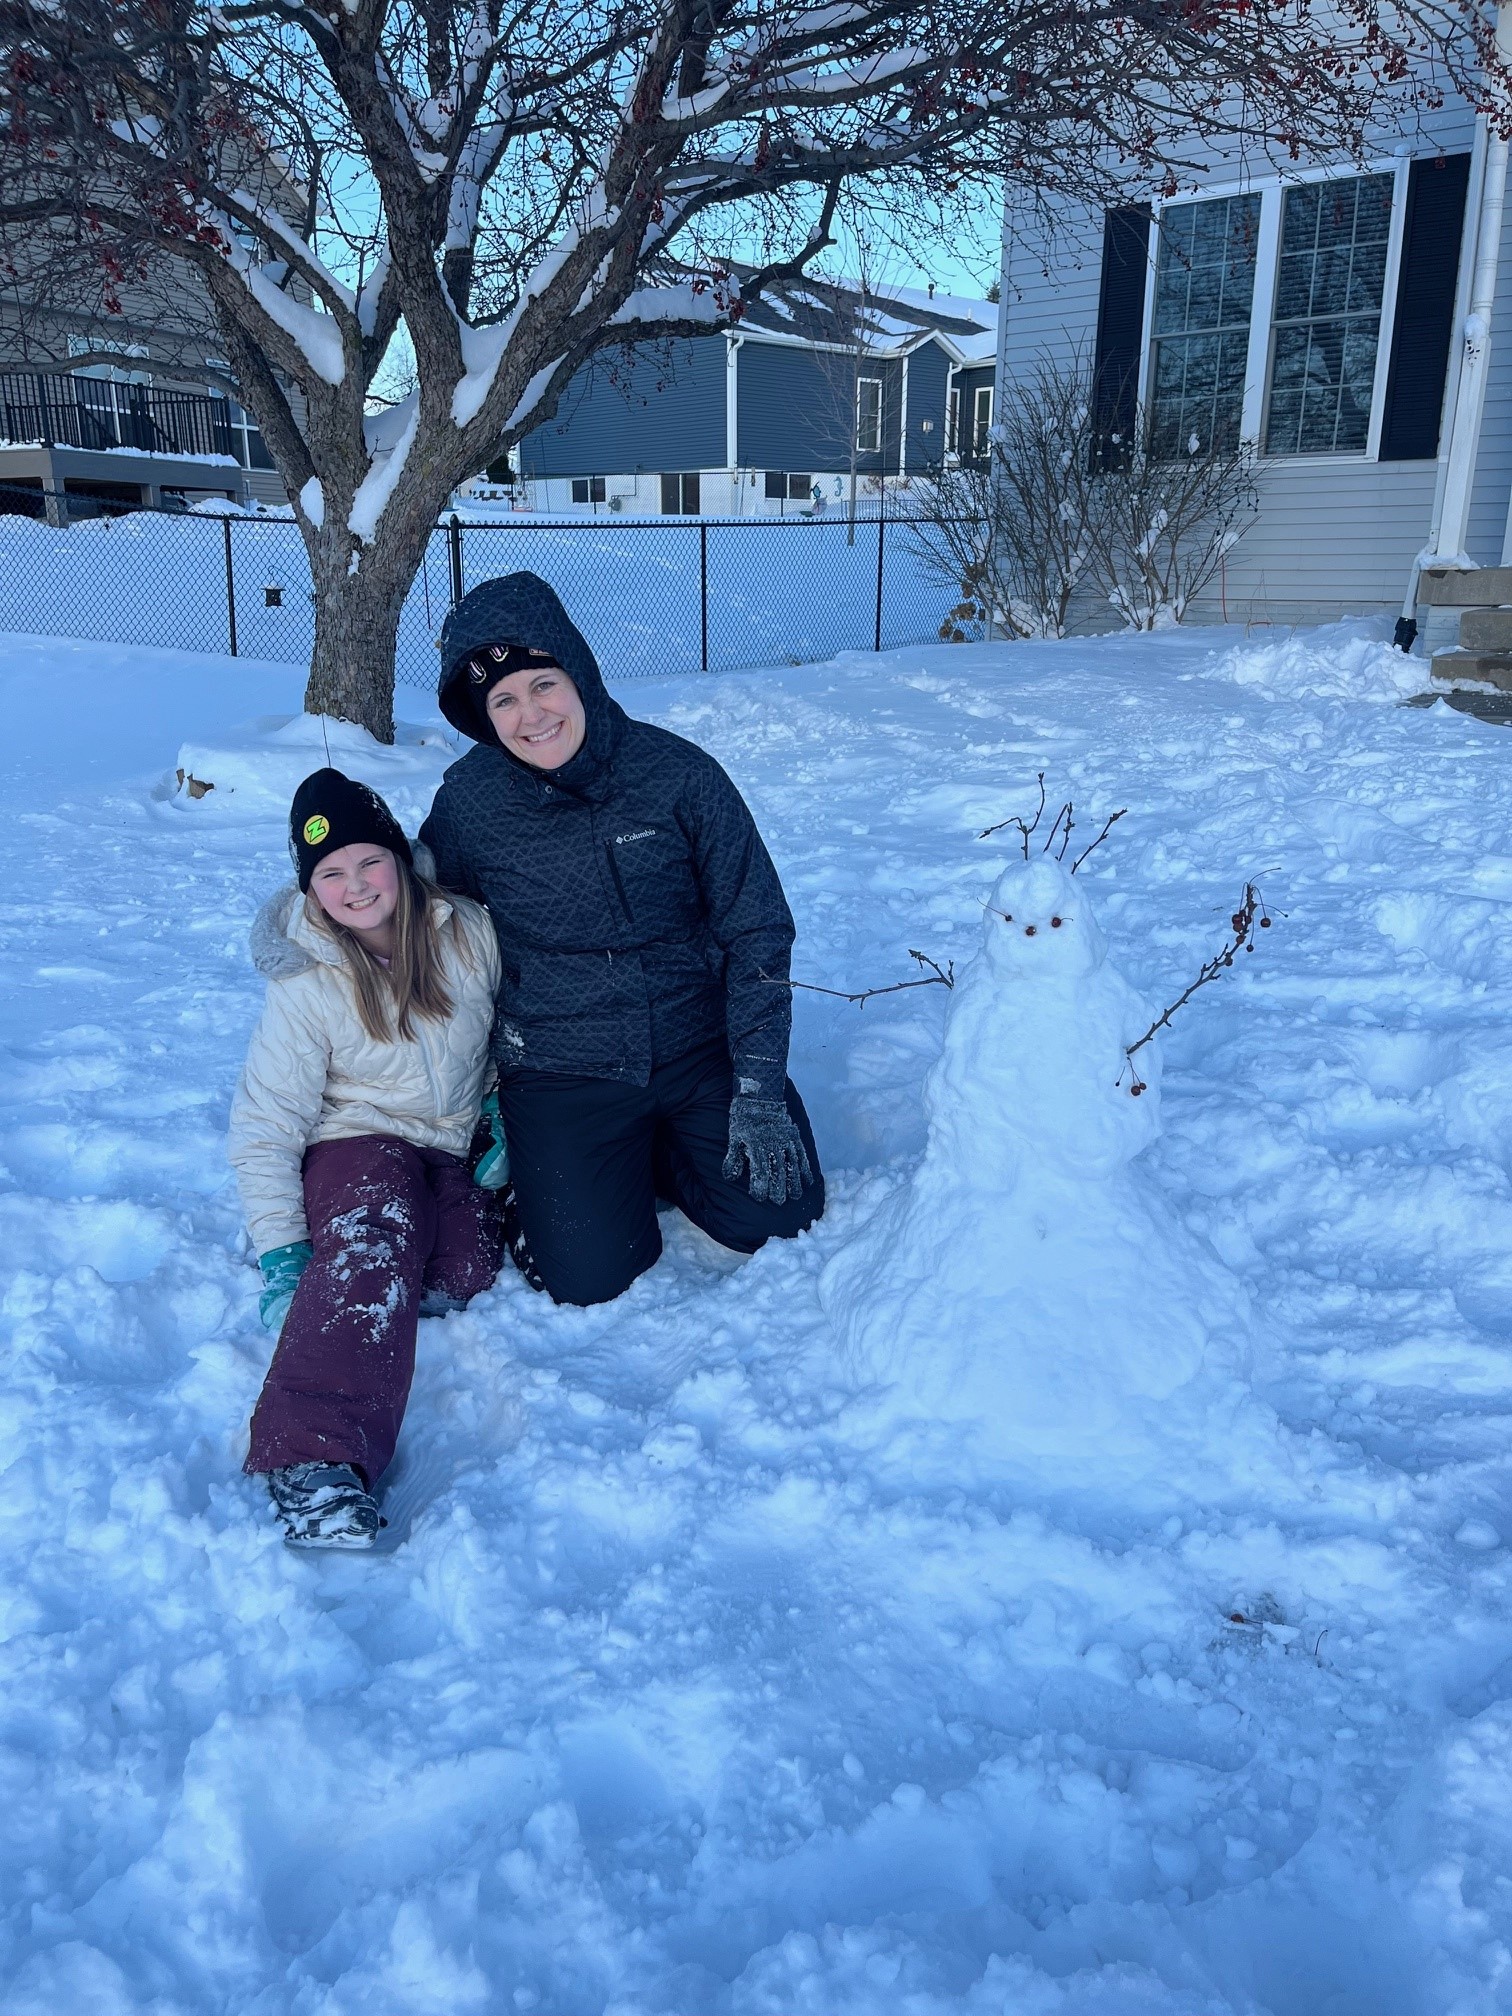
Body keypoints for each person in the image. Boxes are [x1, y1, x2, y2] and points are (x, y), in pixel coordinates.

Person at [419, 570, 824, 1306]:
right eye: (503, 701)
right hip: (561, 1064)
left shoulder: (679, 776)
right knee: (590, 1276)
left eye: (543, 685)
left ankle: (659, 1151)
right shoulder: (469, 804)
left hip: (696, 1045)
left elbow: (757, 927)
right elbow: (423, 918)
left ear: (577, 672)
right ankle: (569, 1174)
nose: (531, 716)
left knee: (777, 1216)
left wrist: (759, 1088)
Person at [229, 767, 502, 1548]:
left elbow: (502, 1038)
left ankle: (378, 1275)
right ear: (310, 889)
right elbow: (265, 1122)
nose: (354, 886)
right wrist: (284, 1251)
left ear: (400, 857)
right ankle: (311, 1457)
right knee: (376, 1236)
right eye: (330, 873)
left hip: (445, 1146)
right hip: (355, 1145)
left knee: (465, 1268)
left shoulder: (466, 932)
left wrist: (497, 1112)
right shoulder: (306, 979)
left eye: (369, 861)